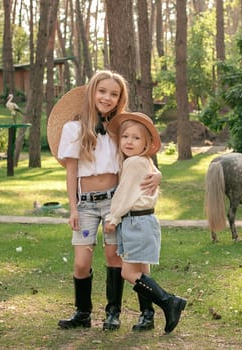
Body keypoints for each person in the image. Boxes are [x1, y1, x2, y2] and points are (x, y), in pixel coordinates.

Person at [46, 70, 161, 331]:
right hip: (85, 203)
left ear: (119, 98)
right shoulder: (73, 128)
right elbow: (71, 171)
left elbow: (140, 153)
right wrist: (73, 207)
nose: (107, 98)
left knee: (115, 258)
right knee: (81, 262)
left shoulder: (119, 129)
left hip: (114, 202)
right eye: (102, 91)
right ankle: (82, 313)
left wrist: (158, 174)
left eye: (114, 94)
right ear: (91, 92)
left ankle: (113, 313)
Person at [104, 112, 186, 334]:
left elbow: (125, 194)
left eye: (136, 138)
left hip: (135, 223)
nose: (129, 141)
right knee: (143, 272)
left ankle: (170, 302)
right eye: (126, 137)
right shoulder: (143, 162)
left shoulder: (134, 163)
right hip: (146, 221)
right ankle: (149, 316)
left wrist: (113, 218)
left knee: (128, 273)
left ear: (147, 143)